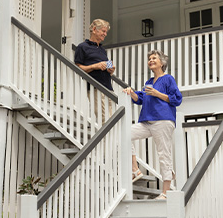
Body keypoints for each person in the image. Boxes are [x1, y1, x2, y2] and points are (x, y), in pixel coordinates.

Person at [123, 50, 183, 200]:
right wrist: (131, 92)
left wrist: (158, 94)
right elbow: (140, 98)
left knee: (164, 154)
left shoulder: (168, 79)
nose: (150, 60)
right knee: (124, 133)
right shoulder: (149, 82)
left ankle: (165, 193)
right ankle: (135, 169)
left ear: (162, 63)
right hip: (147, 121)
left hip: (163, 120)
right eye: (149, 59)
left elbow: (177, 99)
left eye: (154, 58)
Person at [74, 19, 115, 91]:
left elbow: (104, 68)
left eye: (106, 32)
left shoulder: (102, 49)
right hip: (95, 89)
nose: (105, 34)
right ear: (94, 29)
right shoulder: (82, 47)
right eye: (103, 31)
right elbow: (77, 68)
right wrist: (95, 66)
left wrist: (110, 70)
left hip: (108, 88)